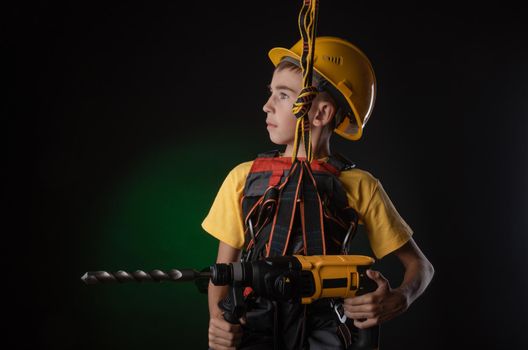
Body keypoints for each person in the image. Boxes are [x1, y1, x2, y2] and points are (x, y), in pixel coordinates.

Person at [202, 36, 434, 350]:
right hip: (256, 330)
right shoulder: (243, 178)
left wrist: (400, 297)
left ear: (321, 113)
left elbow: (421, 267)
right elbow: (224, 273)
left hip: (328, 332)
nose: (267, 105)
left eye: (283, 95)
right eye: (271, 93)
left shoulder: (359, 184)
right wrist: (218, 320)